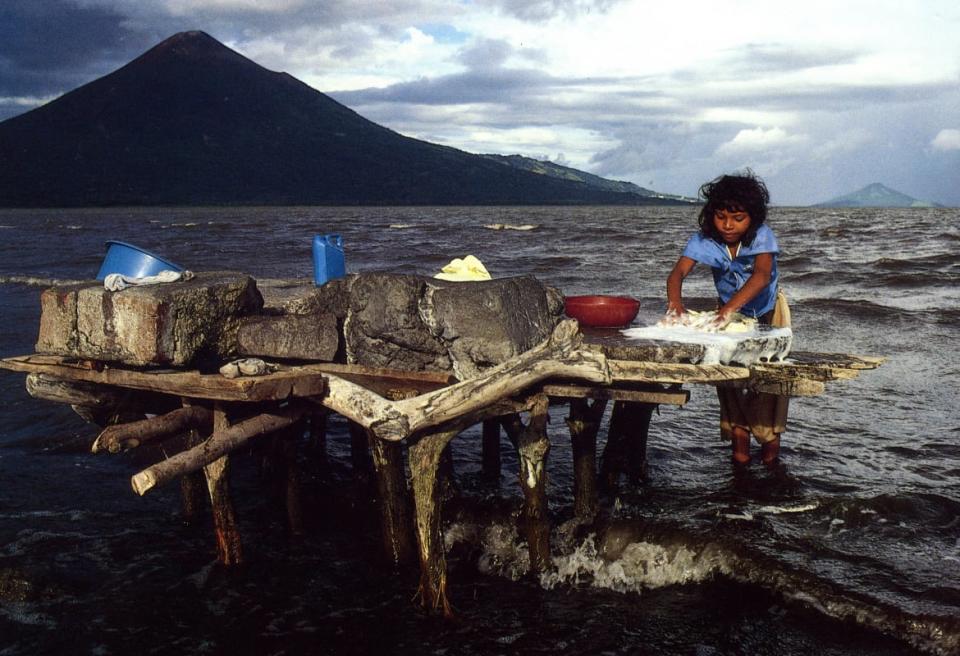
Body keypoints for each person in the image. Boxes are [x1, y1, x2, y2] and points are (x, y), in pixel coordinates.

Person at [665, 170, 790, 465]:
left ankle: (771, 460)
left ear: (753, 217)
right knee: (731, 385)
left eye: (737, 218)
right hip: (729, 316)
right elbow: (677, 273)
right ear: (712, 216)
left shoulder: (762, 236)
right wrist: (675, 305)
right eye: (721, 217)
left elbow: (760, 278)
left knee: (766, 387)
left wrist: (725, 311)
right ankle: (740, 457)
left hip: (768, 314)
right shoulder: (705, 239)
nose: (728, 225)